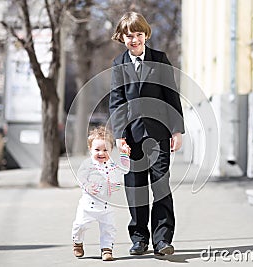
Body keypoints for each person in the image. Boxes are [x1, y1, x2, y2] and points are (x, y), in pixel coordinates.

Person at [109, 12, 185, 256]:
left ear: (145, 35)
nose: (135, 40)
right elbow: (117, 101)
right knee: (135, 188)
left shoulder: (160, 60)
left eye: (139, 35)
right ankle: (139, 238)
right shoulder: (118, 64)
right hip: (131, 137)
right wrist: (120, 136)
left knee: (161, 186)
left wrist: (177, 130)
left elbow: (171, 95)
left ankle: (162, 241)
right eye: (129, 36)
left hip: (159, 134)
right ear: (122, 38)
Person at [71, 126, 131, 261]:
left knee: (109, 228)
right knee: (80, 225)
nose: (101, 153)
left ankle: (106, 249)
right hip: (87, 206)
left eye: (105, 150)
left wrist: (125, 155)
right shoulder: (87, 164)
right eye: (97, 150)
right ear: (90, 149)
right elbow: (80, 177)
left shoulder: (112, 165)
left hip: (106, 206)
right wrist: (86, 185)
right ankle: (77, 242)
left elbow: (125, 169)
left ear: (111, 150)